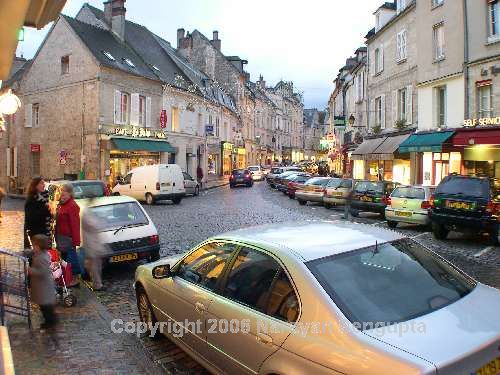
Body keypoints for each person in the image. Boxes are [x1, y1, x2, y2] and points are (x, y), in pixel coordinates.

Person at [27, 234, 57, 330]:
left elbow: (42, 272)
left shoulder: (42, 257)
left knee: (45, 306)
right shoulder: (40, 253)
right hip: (41, 286)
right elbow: (31, 252)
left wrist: (29, 270)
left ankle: (50, 322)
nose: (33, 247)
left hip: (43, 286)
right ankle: (51, 319)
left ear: (39, 246)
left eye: (34, 245)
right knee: (44, 305)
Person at [55, 184, 81, 287]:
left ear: (70, 194)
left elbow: (75, 225)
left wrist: (75, 241)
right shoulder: (62, 204)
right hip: (61, 237)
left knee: (71, 258)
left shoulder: (72, 206)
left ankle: (75, 279)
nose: (62, 194)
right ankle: (67, 278)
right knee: (65, 258)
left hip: (68, 238)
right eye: (61, 191)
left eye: (64, 192)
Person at [81, 202, 108, 291]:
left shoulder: (89, 211)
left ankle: (96, 282)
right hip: (91, 244)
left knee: (96, 264)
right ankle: (97, 285)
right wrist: (102, 221)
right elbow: (93, 225)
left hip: (94, 244)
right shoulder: (86, 211)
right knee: (94, 265)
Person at [24, 177, 52, 248]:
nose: (43, 185)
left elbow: (48, 215)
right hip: (37, 233)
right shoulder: (31, 200)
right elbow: (31, 218)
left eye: (44, 183)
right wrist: (46, 208)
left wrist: (52, 210)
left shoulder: (44, 197)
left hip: (46, 231)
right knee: (39, 254)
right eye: (41, 183)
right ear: (35, 185)